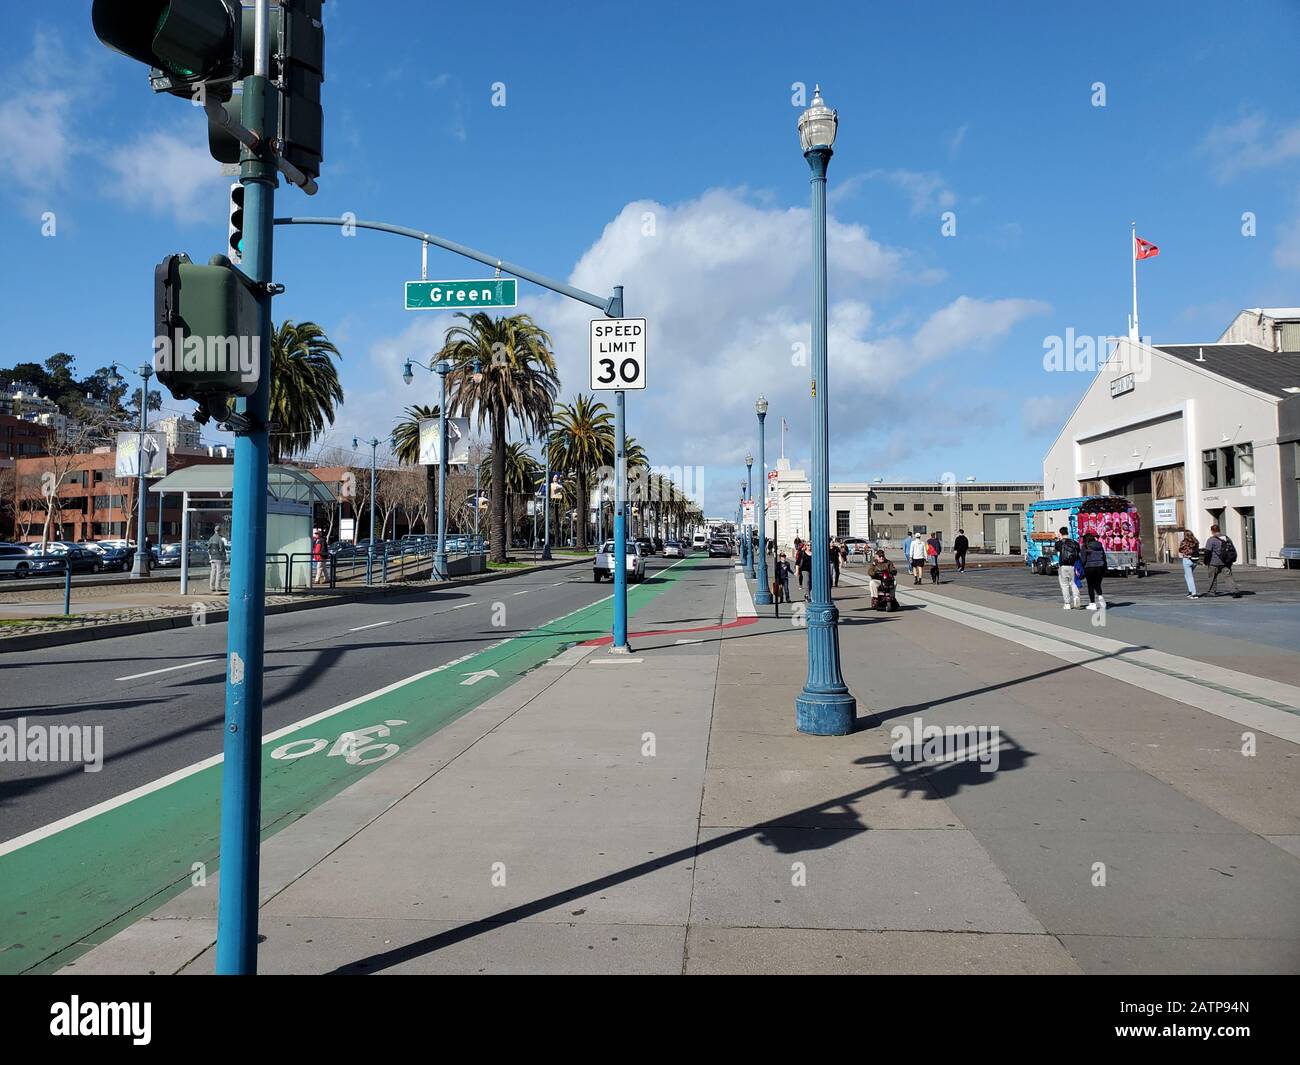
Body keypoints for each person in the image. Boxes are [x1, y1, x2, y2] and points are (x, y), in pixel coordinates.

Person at [1202, 524, 1242, 598]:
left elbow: (1207, 552)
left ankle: (1212, 592)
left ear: (1212, 531)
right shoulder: (1227, 538)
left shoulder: (1211, 540)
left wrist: (1205, 561)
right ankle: (1235, 591)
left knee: (1212, 577)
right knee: (1228, 577)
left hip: (1214, 562)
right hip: (1226, 562)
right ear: (1219, 530)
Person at [1055, 526, 1081, 609]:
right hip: (1073, 566)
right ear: (1067, 533)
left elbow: (1056, 549)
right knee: (1073, 583)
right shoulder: (1074, 542)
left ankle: (1067, 603)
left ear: (1060, 533)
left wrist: (1058, 539)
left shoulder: (1059, 543)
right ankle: (1076, 597)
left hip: (1063, 566)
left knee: (1065, 585)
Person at [1081, 532, 1107, 611]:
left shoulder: (1085, 546)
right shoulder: (1099, 545)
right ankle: (1100, 598)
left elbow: (1083, 559)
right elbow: (1104, 556)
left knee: (1091, 586)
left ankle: (1092, 604)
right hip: (1101, 566)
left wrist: (1081, 567)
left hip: (1090, 567)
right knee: (1097, 584)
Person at [1178, 530, 1201, 599]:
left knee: (1189, 576)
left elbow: (1180, 550)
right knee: (1187, 575)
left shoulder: (1184, 542)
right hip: (1195, 560)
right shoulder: (1196, 541)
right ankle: (1190, 591)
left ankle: (1194, 593)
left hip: (1187, 559)